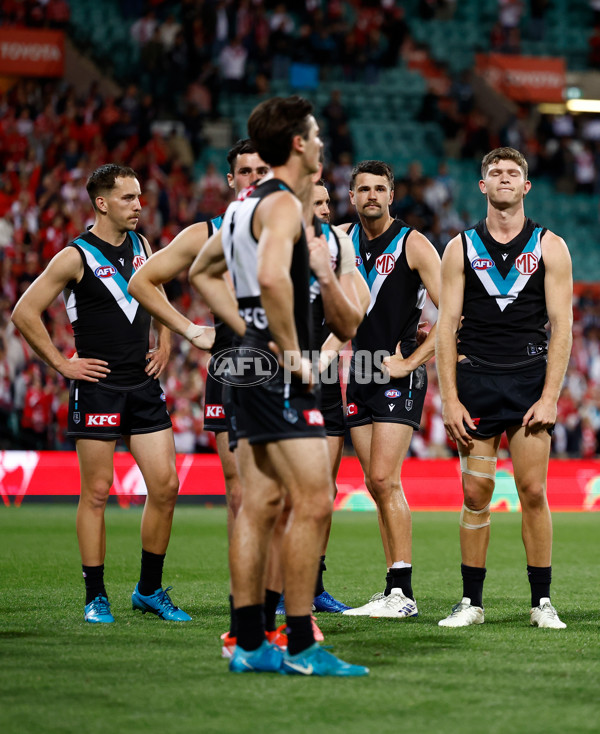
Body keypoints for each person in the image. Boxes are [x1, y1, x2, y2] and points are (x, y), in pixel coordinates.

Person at [190, 95, 369, 676]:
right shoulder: (287, 207)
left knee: (261, 502)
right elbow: (269, 276)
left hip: (244, 363)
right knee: (315, 500)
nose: (320, 143)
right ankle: (300, 646)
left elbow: (202, 273)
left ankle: (248, 643)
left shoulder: (242, 207)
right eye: (314, 135)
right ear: (297, 142)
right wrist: (292, 353)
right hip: (280, 372)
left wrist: (245, 331)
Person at [11, 164, 190, 624]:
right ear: (102, 203)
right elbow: (24, 311)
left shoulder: (144, 245)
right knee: (96, 492)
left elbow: (159, 292)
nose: (139, 206)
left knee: (166, 486)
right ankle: (96, 595)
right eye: (129, 198)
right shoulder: (74, 257)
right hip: (97, 388)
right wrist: (62, 364)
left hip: (143, 385)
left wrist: (167, 339)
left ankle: (149, 590)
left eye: (139, 197)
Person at [128, 139, 279, 654]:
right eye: (245, 171)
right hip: (234, 369)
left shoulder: (294, 231)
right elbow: (142, 281)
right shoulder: (207, 233)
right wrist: (190, 329)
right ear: (231, 179)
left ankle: (276, 596)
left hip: (286, 371)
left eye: (263, 169)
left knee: (281, 493)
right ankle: (248, 607)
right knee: (240, 493)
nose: (254, 178)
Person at [436, 147, 572, 629]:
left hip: (528, 382)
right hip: (474, 382)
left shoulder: (550, 245)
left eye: (513, 173)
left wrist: (551, 396)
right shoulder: (459, 247)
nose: (505, 178)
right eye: (495, 172)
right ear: (483, 186)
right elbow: (445, 325)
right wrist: (448, 398)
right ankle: (471, 603)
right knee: (476, 495)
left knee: (533, 490)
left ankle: (542, 603)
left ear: (526, 186)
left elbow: (563, 326)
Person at [338, 160, 441, 619]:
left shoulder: (414, 244)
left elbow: (454, 313)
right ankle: (391, 587)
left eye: (380, 188)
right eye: (364, 189)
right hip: (358, 371)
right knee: (374, 485)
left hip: (398, 374)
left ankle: (404, 592)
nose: (372, 196)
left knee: (383, 478)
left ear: (391, 195)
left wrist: (412, 361)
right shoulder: (340, 242)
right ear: (353, 197)